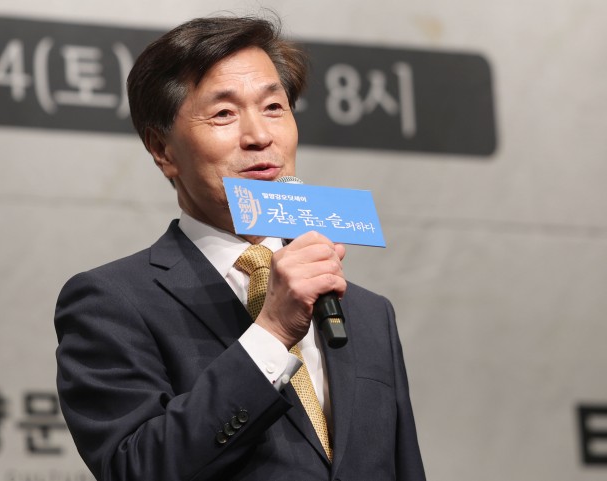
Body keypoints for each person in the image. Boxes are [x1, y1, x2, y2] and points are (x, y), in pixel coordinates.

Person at [55, 13, 426, 481]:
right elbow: (136, 469)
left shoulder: (368, 314)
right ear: (162, 149)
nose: (259, 136)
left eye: (273, 107)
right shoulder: (111, 303)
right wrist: (271, 332)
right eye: (224, 114)